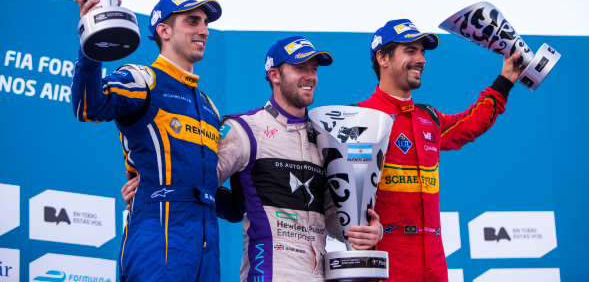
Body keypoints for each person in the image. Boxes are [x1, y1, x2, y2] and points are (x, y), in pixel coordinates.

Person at [123, 35, 383, 281]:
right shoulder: (244, 129)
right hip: (269, 272)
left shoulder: (327, 137)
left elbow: (332, 217)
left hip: (319, 273)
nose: (310, 77)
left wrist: (364, 230)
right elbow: (199, 183)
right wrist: (151, 185)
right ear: (275, 75)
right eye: (300, 68)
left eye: (314, 69)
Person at [71, 0, 223, 282]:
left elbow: (209, 186)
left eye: (206, 23)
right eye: (192, 21)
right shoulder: (144, 79)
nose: (203, 30)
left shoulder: (209, 107)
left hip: (207, 245)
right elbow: (87, 106)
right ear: (163, 30)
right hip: (158, 237)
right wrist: (92, 36)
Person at [358, 19, 523, 282]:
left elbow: (471, 123)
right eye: (410, 51)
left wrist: (505, 81)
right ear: (382, 58)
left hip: (434, 262)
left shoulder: (429, 118)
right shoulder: (359, 118)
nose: (421, 59)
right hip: (386, 260)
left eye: (422, 52)